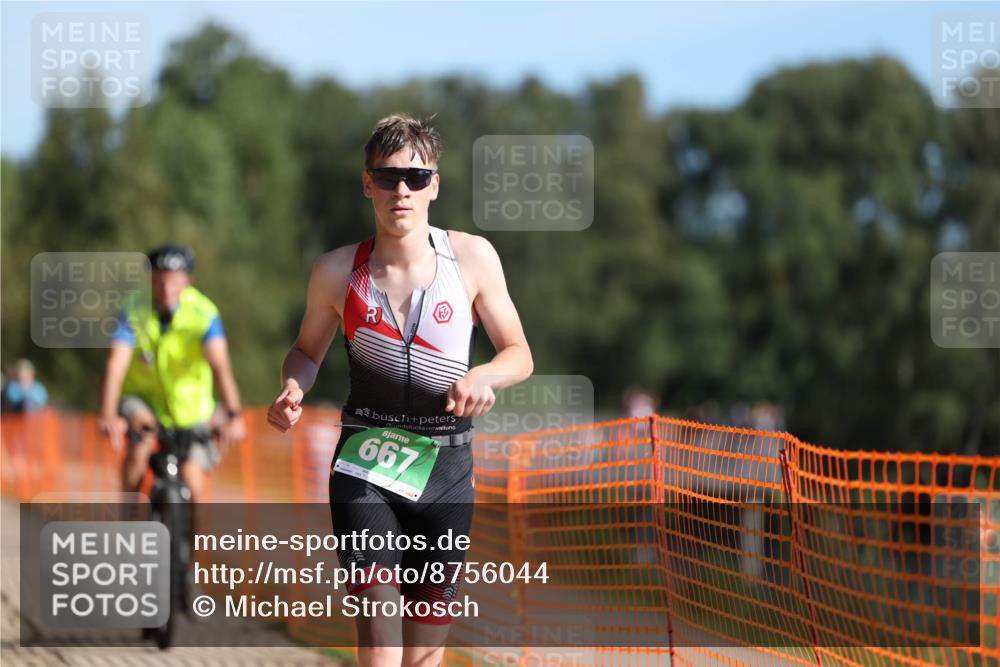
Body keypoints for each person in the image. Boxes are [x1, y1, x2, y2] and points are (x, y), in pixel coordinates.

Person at [267, 113, 533, 667]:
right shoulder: (338, 271)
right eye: (387, 178)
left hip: (448, 468)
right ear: (368, 184)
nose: (402, 191)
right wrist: (294, 385)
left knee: (426, 647)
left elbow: (519, 354)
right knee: (380, 619)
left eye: (415, 177)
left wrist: (483, 376)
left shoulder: (472, 259)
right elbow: (306, 351)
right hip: (367, 458)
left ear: (435, 184)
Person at [98, 243, 246, 504]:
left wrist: (234, 415)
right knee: (141, 445)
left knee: (192, 479)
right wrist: (109, 415)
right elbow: (115, 365)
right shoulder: (132, 308)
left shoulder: (204, 313)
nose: (166, 289)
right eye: (159, 281)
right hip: (144, 400)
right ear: (150, 279)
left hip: (193, 410)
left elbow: (221, 367)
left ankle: (195, 543)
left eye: (175, 281)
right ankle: (130, 520)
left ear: (188, 280)